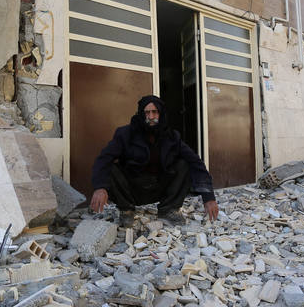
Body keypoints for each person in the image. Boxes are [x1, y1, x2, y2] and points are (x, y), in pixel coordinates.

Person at [89, 94, 219, 221]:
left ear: (161, 113)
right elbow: (103, 159)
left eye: (155, 112)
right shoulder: (125, 134)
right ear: (141, 113)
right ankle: (126, 211)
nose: (151, 117)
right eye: (147, 113)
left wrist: (209, 197)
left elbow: (196, 162)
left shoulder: (172, 137)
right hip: (132, 188)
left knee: (184, 164)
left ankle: (169, 209)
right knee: (111, 168)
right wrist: (100, 187)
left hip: (159, 187)